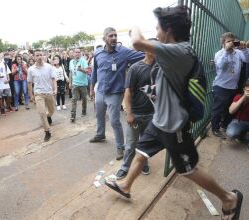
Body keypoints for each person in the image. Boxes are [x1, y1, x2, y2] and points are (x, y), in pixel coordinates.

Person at [104, 6, 243, 220]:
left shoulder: (180, 51)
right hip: (159, 121)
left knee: (188, 169)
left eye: (158, 27)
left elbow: (138, 42)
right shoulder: (172, 51)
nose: (156, 32)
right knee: (141, 153)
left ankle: (228, 198)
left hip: (173, 125)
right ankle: (126, 185)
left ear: (168, 30)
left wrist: (132, 26)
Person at [90, 27, 144, 160]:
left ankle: (121, 147)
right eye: (111, 36)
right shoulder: (98, 53)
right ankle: (100, 134)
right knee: (99, 115)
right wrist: (92, 89)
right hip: (100, 91)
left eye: (115, 36)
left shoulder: (124, 52)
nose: (114, 38)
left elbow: (143, 55)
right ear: (104, 39)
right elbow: (95, 73)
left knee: (114, 121)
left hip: (115, 93)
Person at [115, 43, 157, 180]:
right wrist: (129, 113)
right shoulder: (135, 68)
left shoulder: (161, 68)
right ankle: (125, 166)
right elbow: (128, 92)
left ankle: (143, 163)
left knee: (146, 143)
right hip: (136, 113)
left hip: (152, 114)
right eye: (153, 47)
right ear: (146, 50)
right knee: (131, 143)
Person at [212, 32, 249, 138]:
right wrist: (227, 52)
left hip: (233, 86)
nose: (231, 43)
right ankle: (215, 128)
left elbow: (247, 59)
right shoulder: (219, 53)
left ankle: (224, 125)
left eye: (233, 41)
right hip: (221, 86)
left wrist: (244, 49)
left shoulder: (238, 52)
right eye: (228, 41)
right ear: (223, 44)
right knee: (218, 109)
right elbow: (220, 66)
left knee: (228, 109)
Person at [28, 50, 57, 142]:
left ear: (43, 56)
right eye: (37, 55)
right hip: (38, 93)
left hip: (49, 92)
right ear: (34, 57)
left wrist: (55, 89)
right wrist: (31, 95)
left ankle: (49, 116)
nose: (39, 57)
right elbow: (29, 83)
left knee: (51, 111)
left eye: (41, 55)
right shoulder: (31, 69)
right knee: (41, 113)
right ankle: (47, 131)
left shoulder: (49, 67)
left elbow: (53, 79)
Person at [226, 79, 249, 150]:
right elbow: (231, 111)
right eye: (247, 87)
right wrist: (243, 98)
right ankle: (242, 136)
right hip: (239, 122)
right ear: (244, 89)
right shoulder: (239, 97)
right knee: (231, 133)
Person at [69, 48, 89, 122]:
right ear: (73, 53)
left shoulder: (83, 60)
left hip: (83, 84)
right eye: (76, 52)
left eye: (78, 52)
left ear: (80, 53)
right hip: (75, 84)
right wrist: (70, 82)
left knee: (84, 99)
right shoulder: (71, 62)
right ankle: (73, 115)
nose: (77, 53)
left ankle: (84, 111)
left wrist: (81, 69)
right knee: (74, 99)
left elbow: (88, 71)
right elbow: (70, 72)